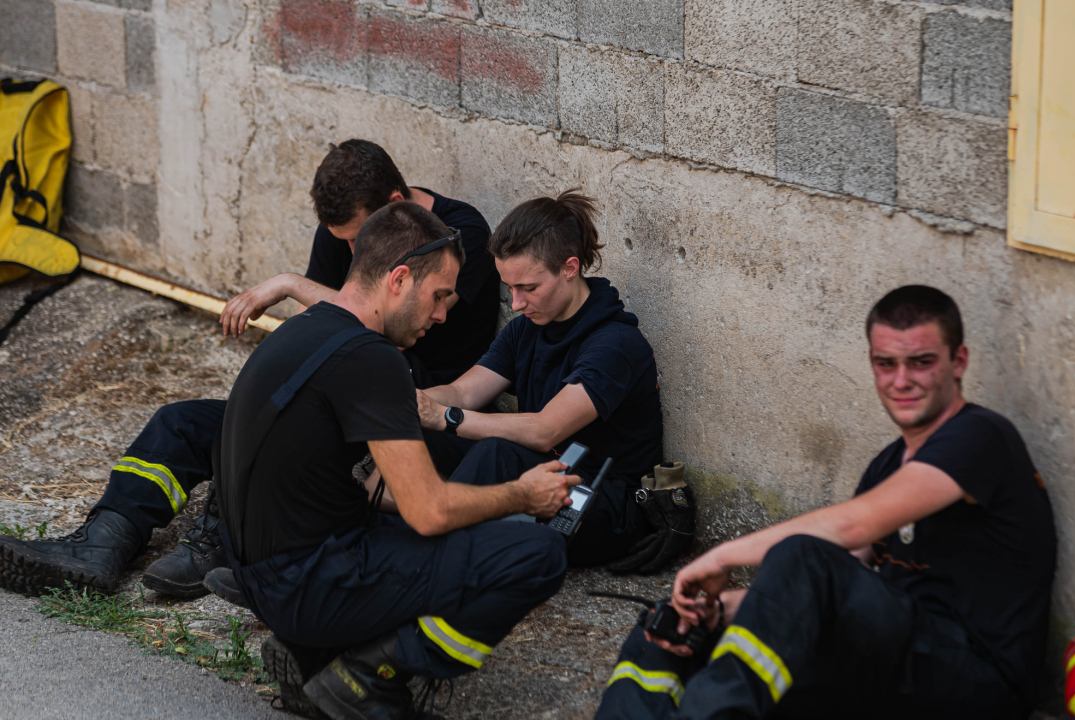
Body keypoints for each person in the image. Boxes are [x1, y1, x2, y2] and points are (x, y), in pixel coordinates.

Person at [0, 140, 500, 598]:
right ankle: (103, 541)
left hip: (413, 394)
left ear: (394, 207)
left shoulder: (455, 243)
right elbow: (326, 329)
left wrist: (289, 283)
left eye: (356, 239)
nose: (353, 253)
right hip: (349, 378)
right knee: (183, 422)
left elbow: (378, 327)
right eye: (345, 242)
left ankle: (233, 544)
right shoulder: (348, 232)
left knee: (285, 432)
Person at [595, 285, 1056, 720]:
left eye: (920, 363)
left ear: (958, 362)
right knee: (671, 623)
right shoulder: (888, 464)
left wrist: (720, 556)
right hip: (891, 659)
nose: (901, 380)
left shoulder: (981, 438)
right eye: (886, 363)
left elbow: (847, 532)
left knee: (801, 555)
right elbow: (828, 578)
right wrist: (718, 608)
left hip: (975, 680)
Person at [217, 201, 575, 720]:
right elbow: (428, 510)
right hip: (304, 587)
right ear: (400, 279)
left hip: (257, 576)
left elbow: (364, 490)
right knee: (538, 555)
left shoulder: (307, 328)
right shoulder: (374, 360)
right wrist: (524, 494)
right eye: (438, 296)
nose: (442, 315)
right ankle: (369, 675)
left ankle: (313, 653)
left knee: (433, 534)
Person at [394, 190, 672, 568]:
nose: (517, 303)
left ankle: (427, 560)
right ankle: (392, 516)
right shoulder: (528, 327)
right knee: (422, 428)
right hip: (543, 474)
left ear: (570, 268)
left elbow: (545, 431)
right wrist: (407, 401)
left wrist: (445, 416)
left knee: (493, 450)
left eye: (528, 288)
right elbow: (463, 391)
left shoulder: (616, 344)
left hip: (603, 502)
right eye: (510, 288)